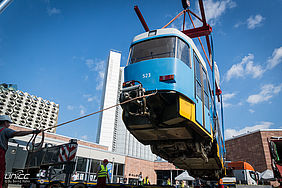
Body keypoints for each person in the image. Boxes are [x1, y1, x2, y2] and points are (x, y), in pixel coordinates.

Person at [0, 115, 41, 188]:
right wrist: (33, 132)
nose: (9, 125)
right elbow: (16, 133)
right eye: (8, 123)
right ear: (5, 122)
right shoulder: (5, 130)